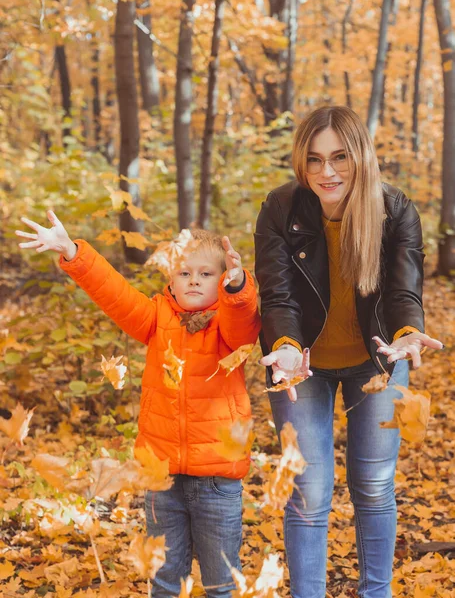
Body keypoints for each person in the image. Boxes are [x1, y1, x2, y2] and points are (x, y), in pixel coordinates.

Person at [16, 212, 261, 597]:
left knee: (221, 583)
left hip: (217, 479)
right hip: (160, 476)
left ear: (221, 279)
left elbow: (244, 318)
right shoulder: (157, 318)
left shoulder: (228, 327)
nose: (194, 279)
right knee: (165, 579)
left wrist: (239, 287)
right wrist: (72, 252)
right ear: (170, 281)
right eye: (184, 273)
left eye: (205, 273)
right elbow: (115, 294)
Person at [254, 106, 443, 598]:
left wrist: (407, 330)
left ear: (360, 155)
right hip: (301, 366)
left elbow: (404, 290)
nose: (327, 172)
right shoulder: (280, 208)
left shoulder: (395, 210)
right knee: (309, 492)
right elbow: (278, 296)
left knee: (375, 488)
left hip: (378, 360)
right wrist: (288, 346)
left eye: (339, 157)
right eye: (314, 160)